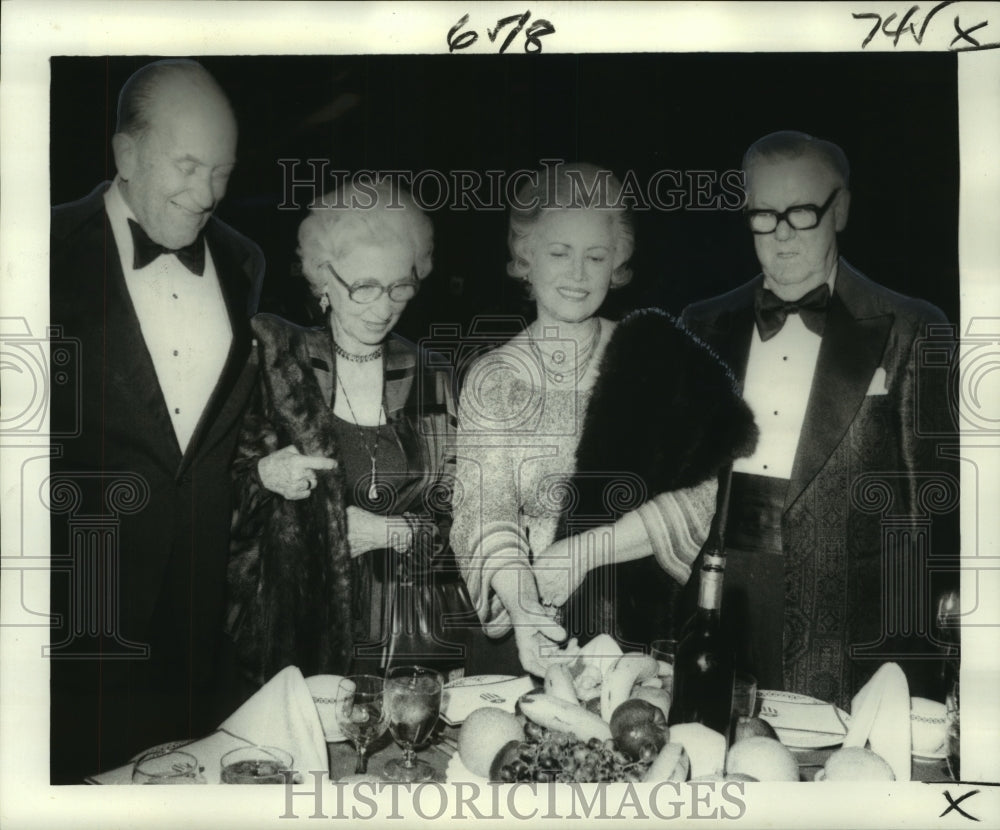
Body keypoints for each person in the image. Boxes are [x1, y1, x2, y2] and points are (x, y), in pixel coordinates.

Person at [681, 130, 958, 709]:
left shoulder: (911, 325)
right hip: (719, 594)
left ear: (842, 209)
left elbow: (927, 515)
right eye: (763, 214)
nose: (782, 233)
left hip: (848, 620)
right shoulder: (701, 322)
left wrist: (914, 673)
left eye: (803, 212)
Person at [451, 163, 758, 677]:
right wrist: (526, 611)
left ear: (617, 264)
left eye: (595, 256)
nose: (577, 275)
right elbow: (484, 509)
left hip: (629, 636)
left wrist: (585, 552)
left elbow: (704, 498)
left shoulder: (656, 359)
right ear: (525, 258)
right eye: (558, 253)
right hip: (526, 634)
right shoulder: (492, 377)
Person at [48, 59, 265, 782]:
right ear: (126, 154)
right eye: (188, 165)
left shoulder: (244, 262)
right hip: (75, 610)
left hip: (201, 622)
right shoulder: (36, 251)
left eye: (223, 172)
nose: (206, 195)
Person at [227, 180, 471, 687]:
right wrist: (262, 474)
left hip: (410, 634)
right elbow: (212, 492)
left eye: (400, 287)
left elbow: (468, 517)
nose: (383, 307)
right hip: (300, 628)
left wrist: (396, 532)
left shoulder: (431, 374)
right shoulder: (278, 360)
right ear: (323, 278)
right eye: (363, 287)